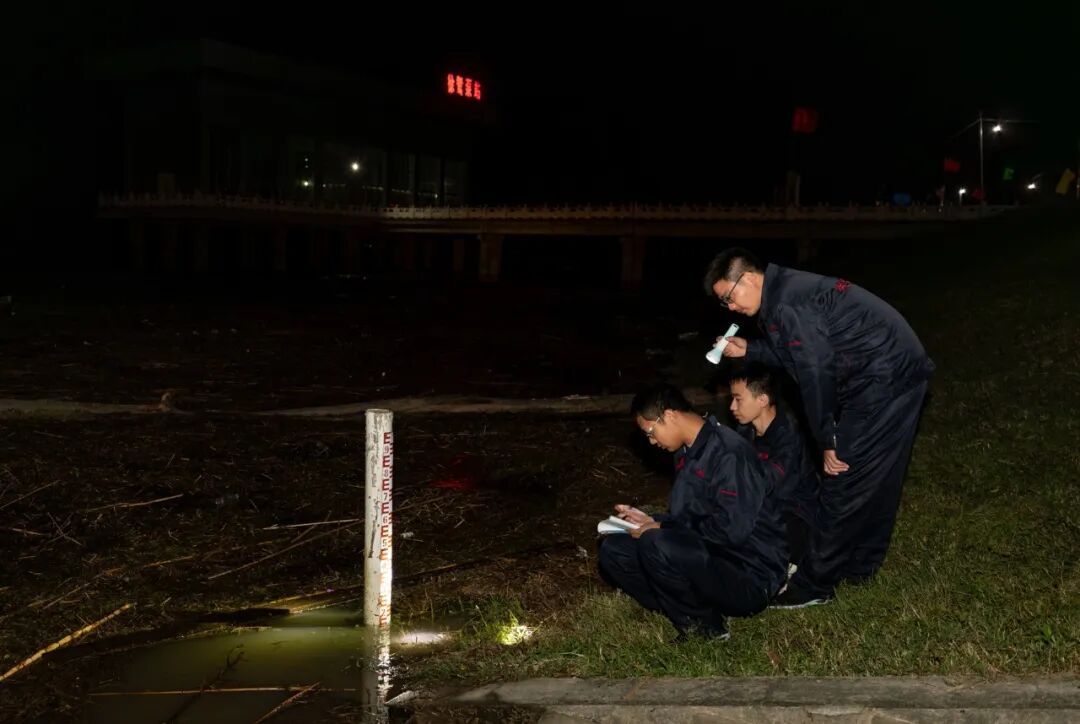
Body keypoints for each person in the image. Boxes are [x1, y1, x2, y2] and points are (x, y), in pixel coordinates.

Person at [704, 247, 934, 608]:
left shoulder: (786, 304)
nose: (730, 308)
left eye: (729, 298)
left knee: (841, 480)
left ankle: (814, 585)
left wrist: (828, 438)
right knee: (880, 475)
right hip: (900, 371)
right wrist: (749, 350)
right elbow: (798, 352)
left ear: (747, 278)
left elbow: (814, 372)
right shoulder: (784, 291)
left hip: (880, 379)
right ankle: (861, 567)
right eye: (724, 304)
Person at [597, 384, 788, 640]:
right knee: (614, 549)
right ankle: (688, 605)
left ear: (669, 415)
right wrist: (652, 520)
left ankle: (704, 629)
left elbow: (731, 530)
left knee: (656, 543)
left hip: (749, 574)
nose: (651, 441)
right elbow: (693, 516)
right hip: (714, 559)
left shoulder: (729, 453)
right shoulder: (687, 451)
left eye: (651, 432)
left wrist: (664, 528)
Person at [727, 361, 818, 569]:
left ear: (762, 399)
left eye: (738, 399)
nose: (732, 406)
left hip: (795, 513)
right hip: (764, 507)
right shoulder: (745, 431)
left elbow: (773, 486)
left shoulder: (788, 435)